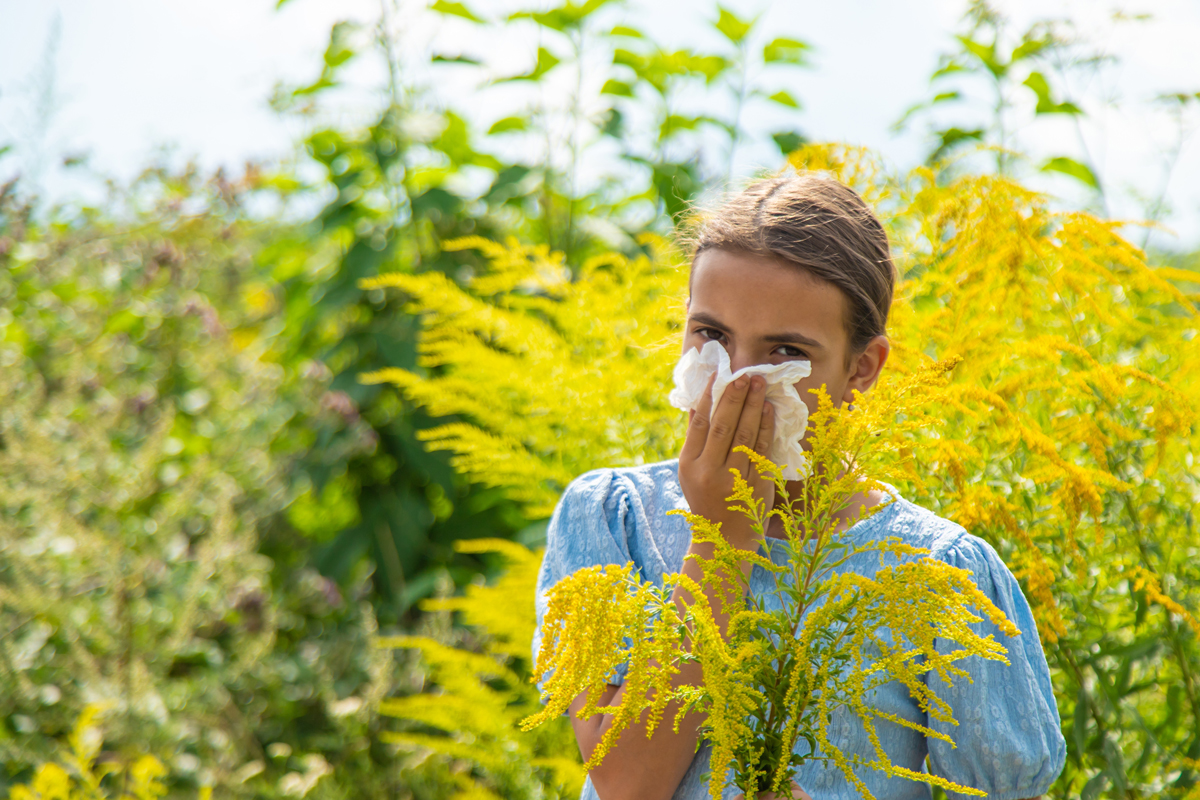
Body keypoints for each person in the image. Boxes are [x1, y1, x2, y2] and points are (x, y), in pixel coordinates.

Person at [532, 174, 1066, 800]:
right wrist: (720, 541)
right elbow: (625, 783)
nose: (737, 379)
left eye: (785, 350)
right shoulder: (612, 518)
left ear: (861, 369)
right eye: (711, 335)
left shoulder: (941, 576)